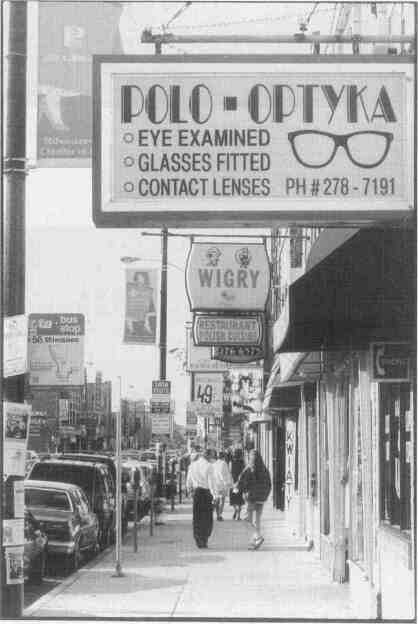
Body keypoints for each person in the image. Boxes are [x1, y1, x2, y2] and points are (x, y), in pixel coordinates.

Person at [235, 449, 271, 550]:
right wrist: (265, 495)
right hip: (261, 498)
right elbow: (269, 484)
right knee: (257, 520)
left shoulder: (249, 469)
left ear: (250, 458)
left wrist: (240, 489)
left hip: (251, 497)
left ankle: (258, 537)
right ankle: (255, 541)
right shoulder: (264, 469)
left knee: (246, 519)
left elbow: (241, 480)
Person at [186, 448, 216, 548]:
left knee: (197, 517)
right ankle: (204, 538)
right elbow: (211, 483)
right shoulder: (209, 466)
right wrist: (215, 496)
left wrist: (189, 490)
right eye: (211, 456)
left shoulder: (192, 465)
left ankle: (198, 538)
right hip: (206, 493)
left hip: (196, 493)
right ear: (208, 456)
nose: (212, 458)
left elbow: (188, 480)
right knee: (207, 517)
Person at [212, 451, 233, 521]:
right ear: (224, 457)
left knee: (217, 500)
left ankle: (217, 514)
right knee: (222, 500)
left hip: (215, 484)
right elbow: (225, 474)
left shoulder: (214, 464)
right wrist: (227, 483)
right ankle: (220, 515)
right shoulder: (224, 463)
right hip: (222, 484)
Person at [229, 447, 245, 520]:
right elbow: (244, 473)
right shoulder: (242, 462)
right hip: (240, 483)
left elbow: (229, 472)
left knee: (233, 499)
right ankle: (238, 515)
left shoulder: (231, 462)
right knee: (240, 499)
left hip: (233, 483)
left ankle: (236, 510)